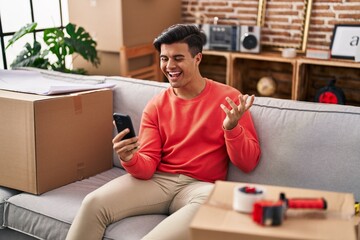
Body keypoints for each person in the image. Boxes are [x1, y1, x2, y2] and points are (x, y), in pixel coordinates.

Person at [66, 24, 261, 240]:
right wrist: (129, 158)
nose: (169, 66)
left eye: (178, 58)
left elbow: (248, 163)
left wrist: (232, 128)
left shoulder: (230, 99)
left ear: (198, 59)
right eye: (164, 58)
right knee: (93, 204)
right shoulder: (156, 105)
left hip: (201, 188)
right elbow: (147, 166)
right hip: (158, 182)